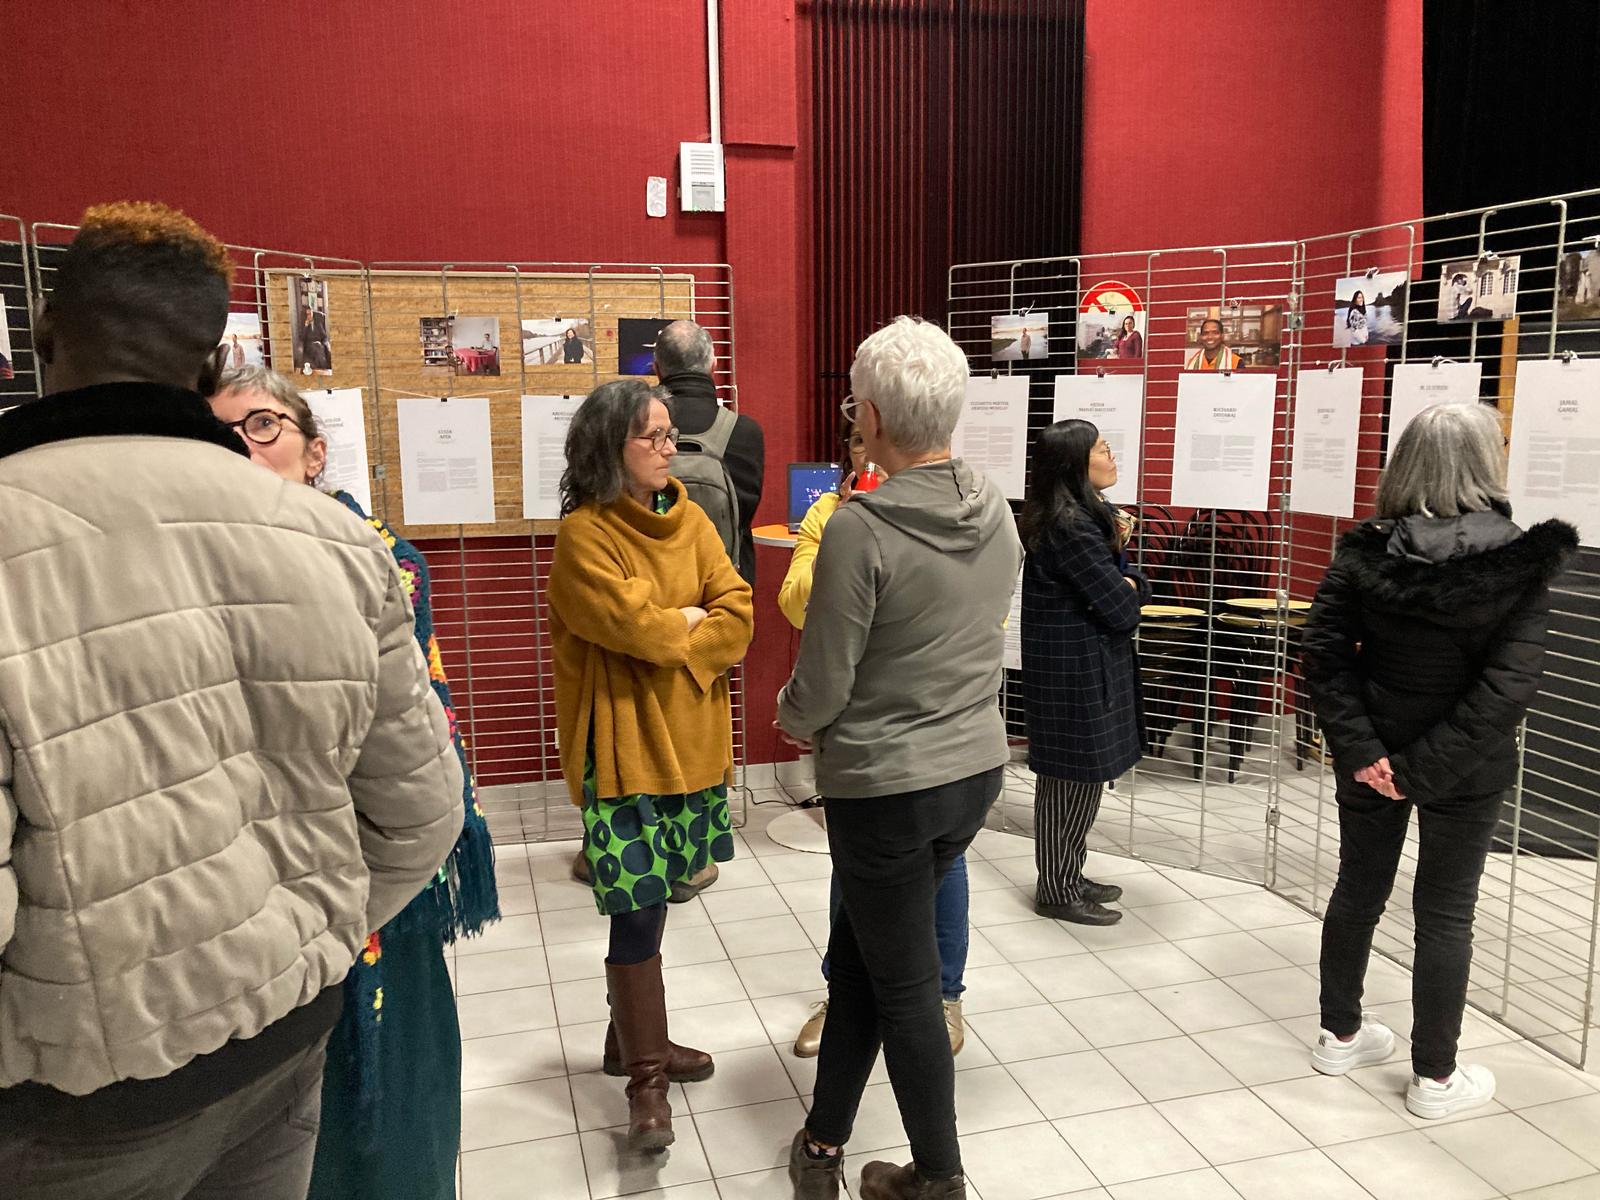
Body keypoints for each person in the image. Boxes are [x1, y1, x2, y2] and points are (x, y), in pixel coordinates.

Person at [0, 202, 464, 1198]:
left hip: (74, 1098)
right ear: (210, 363)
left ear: (42, 333)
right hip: (284, 1041)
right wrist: (307, 940)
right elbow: (424, 812)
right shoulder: (335, 542)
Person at [209, 365, 500, 1200]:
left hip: (369, 884)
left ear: (314, 453)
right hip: (238, 903)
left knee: (390, 1111)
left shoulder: (381, 562)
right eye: (218, 433)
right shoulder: (186, 573)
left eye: (263, 425)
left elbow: (414, 771)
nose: (242, 447)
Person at [779, 316, 1022, 1200]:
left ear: (872, 416)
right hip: (971, 772)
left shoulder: (860, 529)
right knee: (862, 962)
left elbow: (822, 687)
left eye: (854, 405)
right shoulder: (994, 507)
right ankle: (822, 1143)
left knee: (907, 989)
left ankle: (940, 1180)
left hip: (887, 788)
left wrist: (788, 718)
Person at [1301, 401, 1577, 1120]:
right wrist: (1421, 768)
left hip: (1372, 756)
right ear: (1486, 461)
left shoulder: (1365, 552)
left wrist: (1370, 756)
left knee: (1358, 890)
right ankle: (1434, 1078)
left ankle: (1339, 1035)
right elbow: (1507, 688)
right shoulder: (1520, 562)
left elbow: (1324, 658)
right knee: (1446, 913)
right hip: (1468, 766)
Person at [548, 379, 754, 1152]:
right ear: (611, 447)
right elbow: (630, 626)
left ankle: (630, 1040)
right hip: (624, 751)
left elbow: (737, 611)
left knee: (661, 896)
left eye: (670, 434)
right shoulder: (584, 537)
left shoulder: (692, 519)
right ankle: (647, 1084)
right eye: (654, 436)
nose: (671, 447)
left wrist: (683, 627)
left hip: (692, 744)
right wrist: (687, 622)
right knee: (633, 909)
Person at [778, 422, 972, 1060]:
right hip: (860, 729)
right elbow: (795, 603)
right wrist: (847, 536)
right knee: (854, 861)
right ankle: (844, 995)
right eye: (858, 443)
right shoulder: (828, 516)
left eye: (877, 440)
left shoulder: (953, 510)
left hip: (936, 718)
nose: (870, 454)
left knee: (943, 861)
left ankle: (944, 996)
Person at [1019, 420, 1148, 927]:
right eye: (1102, 449)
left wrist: (1129, 582)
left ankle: (1068, 873)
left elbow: (1122, 587)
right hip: (1072, 672)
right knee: (1067, 781)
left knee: (1083, 778)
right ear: (1074, 463)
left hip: (1081, 666)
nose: (1112, 457)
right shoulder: (1070, 524)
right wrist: (1131, 585)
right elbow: (1120, 607)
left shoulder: (1082, 515)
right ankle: (1056, 888)